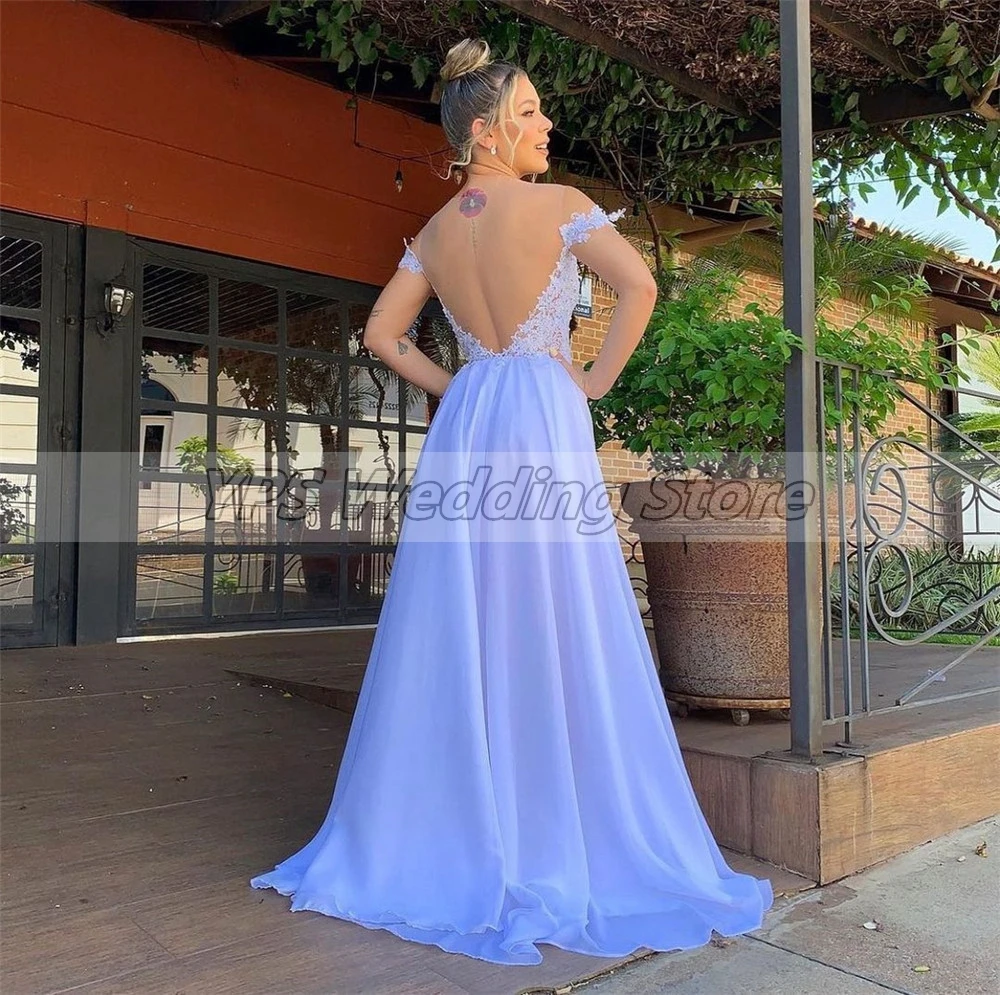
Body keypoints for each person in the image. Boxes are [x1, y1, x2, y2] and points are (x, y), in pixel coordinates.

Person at [252, 38, 772, 966]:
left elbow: (382, 334)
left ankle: (454, 820)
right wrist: (594, 381)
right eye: (530, 111)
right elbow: (640, 284)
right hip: (540, 407)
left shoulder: (434, 233)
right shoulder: (561, 206)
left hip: (474, 416)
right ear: (486, 130)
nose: (547, 123)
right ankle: (554, 813)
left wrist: (453, 385)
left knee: (465, 608)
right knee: (556, 599)